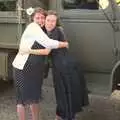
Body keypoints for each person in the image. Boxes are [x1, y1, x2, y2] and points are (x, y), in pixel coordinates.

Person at [12, 8, 68, 120]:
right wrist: (64, 43)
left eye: (42, 17)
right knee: (22, 100)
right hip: (23, 68)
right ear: (32, 18)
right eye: (37, 17)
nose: (40, 20)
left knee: (35, 98)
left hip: (34, 70)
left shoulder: (42, 30)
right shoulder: (33, 27)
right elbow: (48, 44)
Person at [43, 10, 89, 120]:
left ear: (56, 22)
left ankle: (68, 117)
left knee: (66, 93)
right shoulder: (47, 32)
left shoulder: (57, 31)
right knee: (62, 93)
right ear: (45, 21)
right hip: (61, 66)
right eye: (48, 20)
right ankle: (60, 115)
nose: (50, 23)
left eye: (53, 21)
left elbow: (47, 50)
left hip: (66, 67)